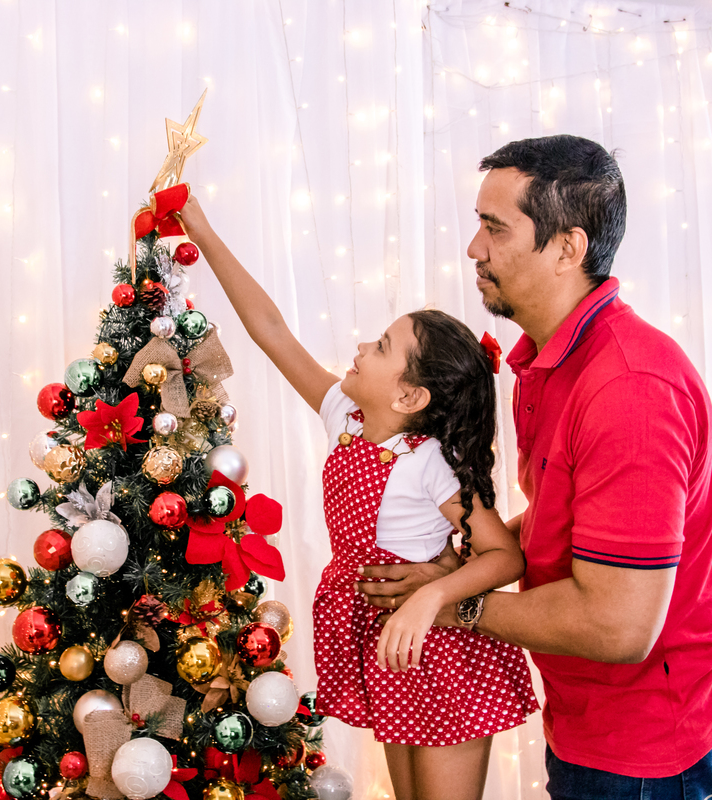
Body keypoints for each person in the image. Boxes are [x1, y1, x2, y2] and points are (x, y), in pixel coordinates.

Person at [357, 135, 712, 799]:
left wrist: (449, 605)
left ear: (567, 248)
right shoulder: (553, 360)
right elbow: (560, 519)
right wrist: (454, 569)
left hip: (648, 740)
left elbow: (616, 625)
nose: (473, 249)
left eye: (494, 228)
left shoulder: (629, 389)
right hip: (588, 714)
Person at [178, 195, 538, 800]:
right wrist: (203, 230)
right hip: (383, 643)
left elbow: (506, 556)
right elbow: (271, 332)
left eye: (380, 347)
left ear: (408, 398)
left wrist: (434, 596)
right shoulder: (344, 415)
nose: (361, 349)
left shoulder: (427, 463)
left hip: (440, 649)